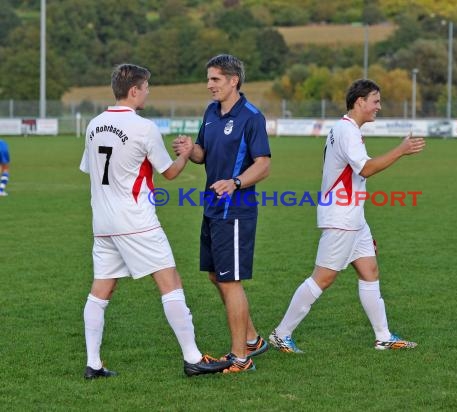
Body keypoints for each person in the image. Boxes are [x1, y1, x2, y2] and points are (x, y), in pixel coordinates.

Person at [79, 63, 230, 379]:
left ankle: (93, 363)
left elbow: (90, 169)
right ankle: (192, 358)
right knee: (170, 282)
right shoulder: (143, 127)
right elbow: (170, 173)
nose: (147, 93)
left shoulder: (94, 124)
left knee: (101, 290)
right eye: (146, 87)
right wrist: (185, 153)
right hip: (136, 221)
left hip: (103, 222)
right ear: (134, 90)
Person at [269, 79, 425, 353]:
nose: (379, 106)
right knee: (322, 278)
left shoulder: (345, 129)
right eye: (375, 101)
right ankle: (281, 334)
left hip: (353, 217)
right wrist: (400, 150)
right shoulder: (347, 130)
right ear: (360, 102)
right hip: (342, 218)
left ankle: (383, 336)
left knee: (370, 271)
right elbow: (365, 169)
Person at [174, 54, 271, 373]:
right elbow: (203, 154)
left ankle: (241, 358)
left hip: (236, 211)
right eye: (208, 79)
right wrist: (190, 150)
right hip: (212, 207)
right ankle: (253, 340)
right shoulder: (211, 112)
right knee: (217, 275)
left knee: (231, 281)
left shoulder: (251, 117)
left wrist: (236, 182)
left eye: (215, 79)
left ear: (233, 80)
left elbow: (263, 164)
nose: (209, 85)